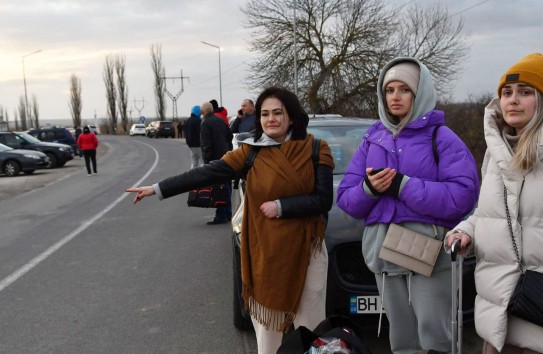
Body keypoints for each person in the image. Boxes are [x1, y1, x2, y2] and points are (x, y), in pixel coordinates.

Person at [126, 86, 334, 354]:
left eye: (277, 113)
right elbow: (206, 173)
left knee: (311, 330)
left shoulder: (316, 149)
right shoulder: (251, 152)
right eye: (264, 114)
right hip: (266, 252)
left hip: (309, 251)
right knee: (268, 333)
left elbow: (323, 200)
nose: (270, 119)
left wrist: (281, 207)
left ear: (291, 116)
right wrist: (157, 188)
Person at [336, 57, 479, 354]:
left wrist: (404, 186)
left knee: (435, 336)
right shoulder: (372, 139)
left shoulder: (443, 137)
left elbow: (463, 196)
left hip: (427, 253)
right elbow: (347, 199)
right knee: (401, 340)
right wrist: (369, 188)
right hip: (383, 252)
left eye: (404, 89)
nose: (395, 97)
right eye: (389, 90)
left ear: (420, 92)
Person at [445, 53, 543, 354]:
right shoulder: (495, 152)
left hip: (537, 311)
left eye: (525, 92)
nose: (512, 100)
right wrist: (467, 232)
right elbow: (489, 213)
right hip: (498, 311)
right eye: (507, 92)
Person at [200, 101, 234, 224]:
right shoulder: (221, 121)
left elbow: (206, 145)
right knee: (226, 186)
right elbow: (230, 137)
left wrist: (207, 162)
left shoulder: (205, 124)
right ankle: (228, 213)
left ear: (203, 112)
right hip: (226, 158)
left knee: (218, 189)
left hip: (214, 160)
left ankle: (220, 216)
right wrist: (229, 151)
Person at [183, 105, 203, 169]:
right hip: (199, 145)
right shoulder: (199, 121)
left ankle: (193, 177)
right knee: (203, 162)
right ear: (198, 112)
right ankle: (205, 177)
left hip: (190, 146)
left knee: (194, 163)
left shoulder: (187, 122)